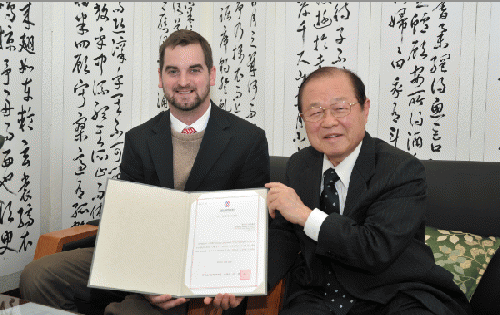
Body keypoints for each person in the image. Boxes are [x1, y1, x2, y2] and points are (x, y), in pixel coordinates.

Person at [20, 29, 270, 315]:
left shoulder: (247, 139)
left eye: (194, 70)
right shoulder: (139, 138)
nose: (184, 81)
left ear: (211, 75)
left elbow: (252, 231)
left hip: (206, 272)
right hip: (141, 260)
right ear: (160, 77)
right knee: (38, 276)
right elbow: (126, 221)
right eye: (173, 71)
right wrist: (144, 280)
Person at [265, 67, 471, 315]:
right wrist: (246, 285)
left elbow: (375, 249)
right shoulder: (299, 165)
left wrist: (307, 216)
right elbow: (284, 237)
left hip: (393, 293)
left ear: (365, 108)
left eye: (340, 108)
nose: (329, 121)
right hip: (318, 296)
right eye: (315, 112)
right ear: (303, 118)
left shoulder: (401, 170)